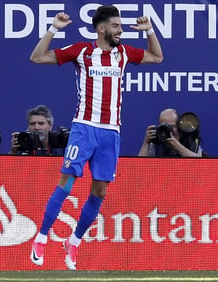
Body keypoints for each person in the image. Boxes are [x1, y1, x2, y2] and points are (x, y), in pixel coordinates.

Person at [28, 6, 163, 270]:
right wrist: (54, 28)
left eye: (120, 26)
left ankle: (74, 242)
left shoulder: (124, 53)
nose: (121, 31)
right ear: (101, 28)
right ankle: (41, 237)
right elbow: (37, 57)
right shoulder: (82, 51)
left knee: (99, 191)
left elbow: (157, 57)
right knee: (66, 183)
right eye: (116, 26)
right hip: (84, 128)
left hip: (111, 132)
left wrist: (150, 31)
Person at [138, 108, 206, 157]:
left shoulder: (189, 142)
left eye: (171, 126)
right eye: (163, 126)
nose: (167, 130)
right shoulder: (156, 143)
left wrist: (177, 147)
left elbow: (203, 163)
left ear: (180, 127)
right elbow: (138, 168)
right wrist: (146, 143)